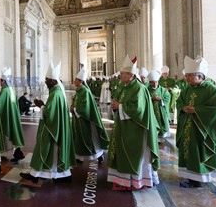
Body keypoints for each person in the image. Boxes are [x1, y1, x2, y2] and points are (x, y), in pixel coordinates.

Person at [176, 56, 216, 187]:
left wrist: (197, 110)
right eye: (186, 75)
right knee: (190, 150)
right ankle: (194, 177)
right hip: (189, 127)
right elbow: (179, 103)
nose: (186, 78)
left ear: (200, 77)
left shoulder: (213, 90)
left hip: (206, 129)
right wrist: (183, 108)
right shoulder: (186, 90)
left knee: (206, 151)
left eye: (189, 76)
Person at [107, 55, 160, 189]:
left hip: (135, 128)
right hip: (122, 126)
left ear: (131, 75)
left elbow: (139, 109)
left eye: (123, 74)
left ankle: (137, 180)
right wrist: (115, 105)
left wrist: (119, 106)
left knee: (134, 153)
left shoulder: (139, 88)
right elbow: (119, 101)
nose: (121, 76)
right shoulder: (124, 87)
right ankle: (123, 179)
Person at [20, 61, 75, 183]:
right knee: (52, 152)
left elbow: (50, 113)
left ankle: (37, 174)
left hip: (52, 128)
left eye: (47, 79)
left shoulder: (55, 94)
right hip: (56, 127)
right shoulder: (56, 92)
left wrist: (41, 106)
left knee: (44, 148)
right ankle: (59, 174)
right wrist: (44, 105)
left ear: (54, 81)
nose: (45, 81)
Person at [71, 68, 109, 163]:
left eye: (76, 80)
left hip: (85, 120)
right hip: (78, 119)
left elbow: (85, 107)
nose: (74, 81)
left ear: (81, 81)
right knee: (78, 138)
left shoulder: (85, 91)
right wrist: (73, 107)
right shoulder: (79, 91)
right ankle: (79, 156)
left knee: (89, 139)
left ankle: (99, 155)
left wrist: (75, 109)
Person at [0, 67, 25, 162]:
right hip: (14, 117)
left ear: (4, 81)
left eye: (1, 80)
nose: (0, 82)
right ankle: (18, 153)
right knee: (14, 134)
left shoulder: (4, 92)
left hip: (7, 117)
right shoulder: (12, 90)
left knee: (6, 134)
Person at [147, 70, 171, 141]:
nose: (155, 84)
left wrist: (161, 99)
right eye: (153, 82)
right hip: (151, 113)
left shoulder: (163, 90)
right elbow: (144, 99)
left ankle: (161, 141)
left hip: (161, 113)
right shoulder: (146, 90)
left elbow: (167, 98)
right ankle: (153, 140)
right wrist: (151, 99)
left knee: (161, 126)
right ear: (150, 82)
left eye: (156, 82)